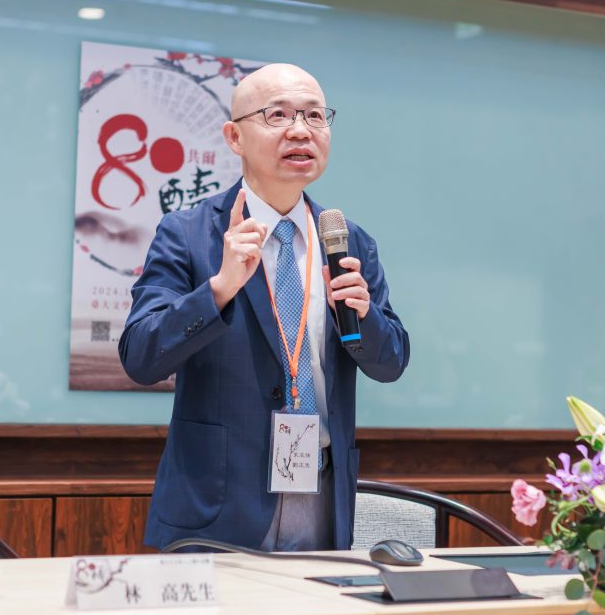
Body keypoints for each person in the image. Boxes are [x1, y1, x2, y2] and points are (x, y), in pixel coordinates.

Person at [119, 63, 410, 551]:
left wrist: (365, 316)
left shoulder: (348, 240)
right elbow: (140, 357)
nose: (300, 130)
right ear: (234, 137)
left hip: (321, 489)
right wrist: (218, 290)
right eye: (278, 115)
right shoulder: (189, 234)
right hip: (217, 502)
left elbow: (392, 362)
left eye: (314, 116)